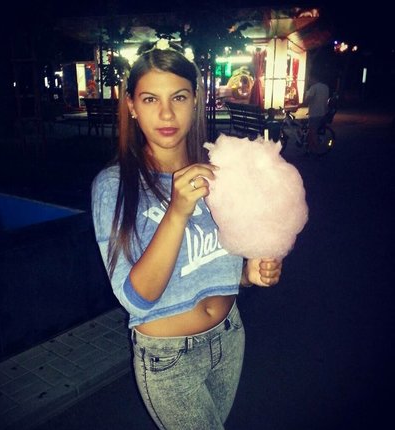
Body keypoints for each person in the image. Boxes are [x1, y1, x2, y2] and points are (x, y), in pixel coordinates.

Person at [91, 39, 283, 430]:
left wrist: (249, 273)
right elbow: (136, 297)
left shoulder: (222, 173)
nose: (166, 113)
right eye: (150, 99)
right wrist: (177, 211)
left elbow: (215, 265)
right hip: (169, 359)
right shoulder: (114, 186)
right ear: (131, 105)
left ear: (195, 100)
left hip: (229, 336)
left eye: (178, 97)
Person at [303, 71, 330, 153]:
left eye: (309, 79)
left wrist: (297, 106)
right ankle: (309, 150)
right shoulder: (325, 87)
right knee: (310, 132)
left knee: (313, 133)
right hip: (323, 113)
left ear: (313, 78)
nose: (308, 81)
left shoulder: (314, 88)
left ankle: (317, 152)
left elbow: (308, 100)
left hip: (315, 114)